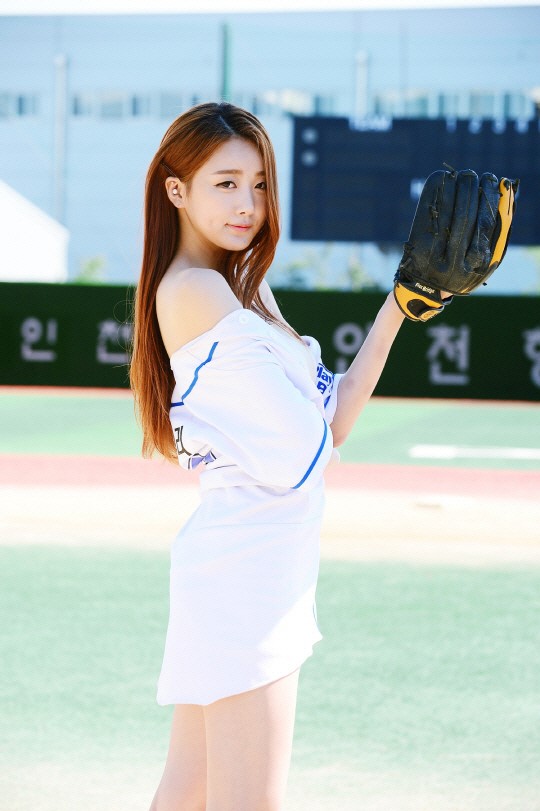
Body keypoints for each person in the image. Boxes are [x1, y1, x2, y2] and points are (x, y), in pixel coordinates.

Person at [130, 101, 409, 811]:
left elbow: (330, 423)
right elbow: (299, 455)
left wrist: (399, 307)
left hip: (246, 565)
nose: (248, 204)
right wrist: (311, 423)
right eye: (225, 183)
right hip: (247, 577)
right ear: (176, 190)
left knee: (190, 790)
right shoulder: (196, 291)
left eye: (258, 184)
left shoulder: (242, 288)